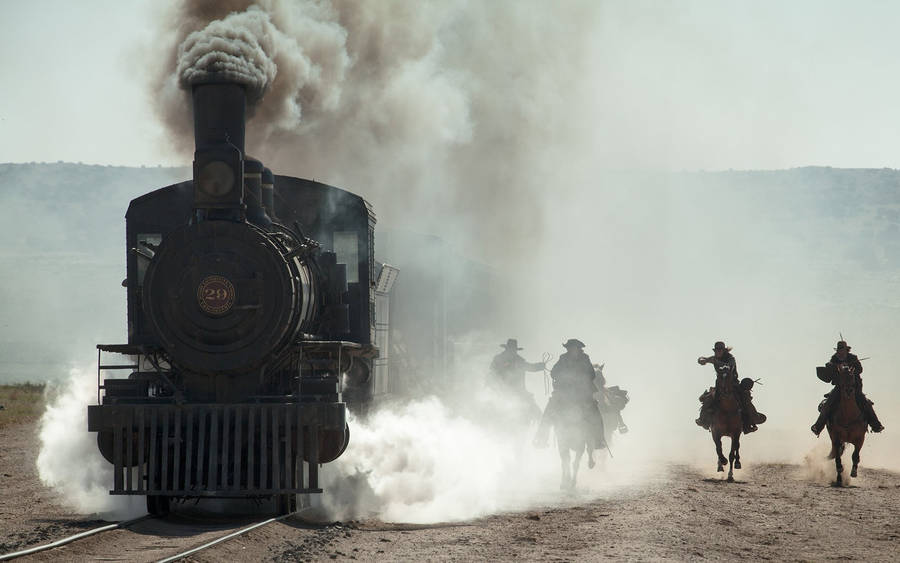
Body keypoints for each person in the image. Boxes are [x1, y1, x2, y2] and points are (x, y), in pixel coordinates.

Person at [533, 339, 605, 449]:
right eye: (569, 347)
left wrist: (580, 378)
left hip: (583, 394)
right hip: (564, 393)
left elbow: (592, 374)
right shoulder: (563, 358)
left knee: (595, 414)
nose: (571, 349)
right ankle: (542, 438)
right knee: (549, 410)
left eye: (573, 347)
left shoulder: (585, 358)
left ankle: (599, 440)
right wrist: (563, 377)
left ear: (578, 348)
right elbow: (553, 373)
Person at [810, 340, 884, 435]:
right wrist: (836, 367)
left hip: (855, 386)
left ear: (846, 350)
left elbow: (860, 369)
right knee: (828, 403)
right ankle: (818, 426)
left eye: (842, 349)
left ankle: (876, 425)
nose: (840, 352)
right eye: (838, 350)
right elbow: (829, 368)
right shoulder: (834, 359)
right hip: (840, 387)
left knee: (865, 403)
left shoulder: (852, 358)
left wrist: (851, 368)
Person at [696, 341, 767, 433]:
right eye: (716, 350)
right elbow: (704, 360)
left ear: (723, 351)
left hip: (733, 384)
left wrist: (713, 361)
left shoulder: (730, 358)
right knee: (708, 399)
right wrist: (702, 360)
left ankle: (751, 420)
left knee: (745, 399)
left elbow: (729, 366)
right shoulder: (714, 358)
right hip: (719, 385)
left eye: (719, 350)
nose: (717, 352)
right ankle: (703, 420)